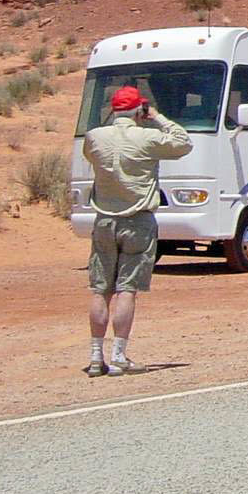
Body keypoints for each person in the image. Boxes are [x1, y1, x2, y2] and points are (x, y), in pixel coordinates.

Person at [81, 85, 191, 376]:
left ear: (113, 108)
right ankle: (118, 355)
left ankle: (95, 356)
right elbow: (183, 142)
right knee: (126, 289)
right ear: (139, 109)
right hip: (138, 220)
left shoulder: (94, 137)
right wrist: (156, 116)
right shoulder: (148, 137)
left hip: (103, 221)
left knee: (100, 289)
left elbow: (93, 155)